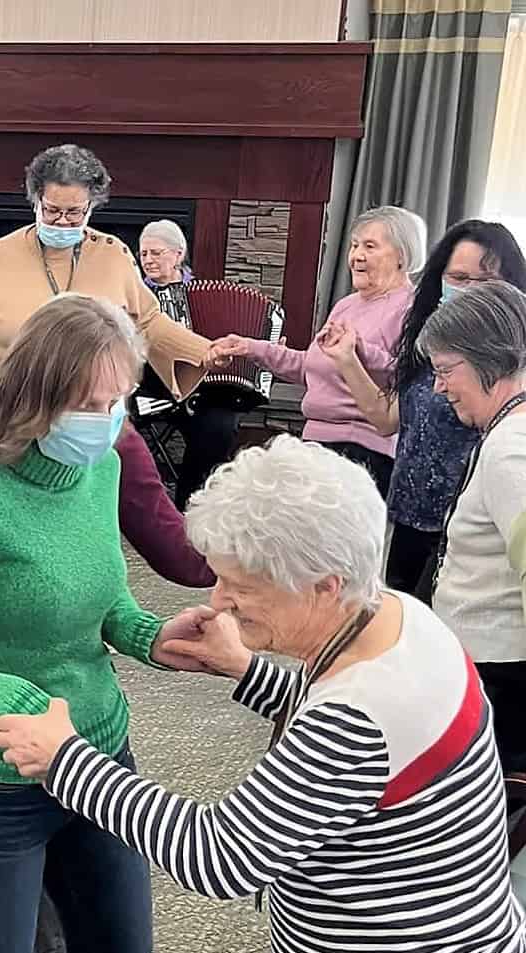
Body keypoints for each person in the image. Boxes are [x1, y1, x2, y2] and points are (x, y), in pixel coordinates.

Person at [0, 434, 526, 953]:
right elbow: (352, 754)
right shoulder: (401, 618)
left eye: (241, 586)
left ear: (325, 586)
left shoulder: (354, 720)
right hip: (464, 951)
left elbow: (220, 855)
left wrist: (65, 760)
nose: (218, 600)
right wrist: (247, 669)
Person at [0, 294, 214, 953]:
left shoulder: (101, 468)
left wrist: (150, 635)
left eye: (116, 401)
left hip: (99, 761)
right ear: (35, 398)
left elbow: (106, 599)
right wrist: (23, 705)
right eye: (88, 403)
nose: (105, 420)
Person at [0, 144, 209, 410]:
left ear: (91, 207)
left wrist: (204, 351)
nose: (63, 221)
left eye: (74, 212)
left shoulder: (114, 255)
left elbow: (148, 321)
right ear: (35, 202)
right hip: (7, 411)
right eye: (52, 210)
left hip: (93, 415)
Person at [326, 220, 526, 595]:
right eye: (459, 278)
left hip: (470, 529)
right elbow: (387, 419)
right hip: (409, 517)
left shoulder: (511, 369)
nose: (470, 290)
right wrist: (346, 360)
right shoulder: (429, 342)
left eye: (485, 281)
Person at [209, 205, 425, 496]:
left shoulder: (411, 308)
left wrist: (358, 349)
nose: (356, 255)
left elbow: (405, 378)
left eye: (370, 246)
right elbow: (310, 367)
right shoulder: (347, 305)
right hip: (316, 441)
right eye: (354, 245)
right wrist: (250, 347)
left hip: (362, 449)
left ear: (402, 255)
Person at [421, 282, 526, 774]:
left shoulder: (511, 450)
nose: (438, 387)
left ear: (490, 359)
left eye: (446, 370)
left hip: (498, 681)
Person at [138, 218, 242, 508]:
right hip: (152, 384)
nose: (148, 260)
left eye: (156, 252)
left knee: (221, 425)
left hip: (204, 389)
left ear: (178, 254)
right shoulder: (137, 295)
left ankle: (191, 505)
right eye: (143, 253)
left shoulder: (206, 294)